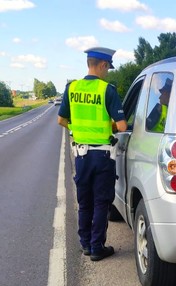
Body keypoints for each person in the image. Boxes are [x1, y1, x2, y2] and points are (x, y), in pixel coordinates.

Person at [57, 47, 127, 261]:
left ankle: (85, 245)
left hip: (81, 155)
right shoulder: (108, 90)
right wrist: (109, 129)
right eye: (108, 68)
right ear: (103, 65)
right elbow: (123, 126)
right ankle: (97, 247)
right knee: (101, 202)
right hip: (103, 156)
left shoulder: (72, 88)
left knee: (85, 201)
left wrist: (79, 132)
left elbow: (61, 120)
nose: (107, 72)